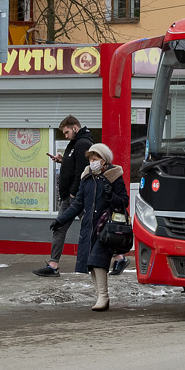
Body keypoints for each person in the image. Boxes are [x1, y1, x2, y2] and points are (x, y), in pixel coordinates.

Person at [52, 143, 130, 311]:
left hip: (106, 227)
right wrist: (61, 220)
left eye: (95, 159)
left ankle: (103, 297)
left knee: (97, 261)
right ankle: (100, 296)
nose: (92, 162)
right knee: (91, 264)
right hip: (89, 227)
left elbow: (124, 202)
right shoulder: (87, 177)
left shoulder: (114, 176)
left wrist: (111, 195)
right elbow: (77, 203)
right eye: (90, 159)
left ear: (104, 160)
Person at [33, 115, 95, 278]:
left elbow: (82, 170)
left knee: (94, 227)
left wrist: (75, 193)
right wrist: (62, 161)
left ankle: (118, 256)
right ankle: (53, 265)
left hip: (76, 196)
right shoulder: (75, 144)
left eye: (67, 132)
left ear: (75, 127)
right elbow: (73, 164)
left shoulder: (83, 144)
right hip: (69, 196)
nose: (65, 135)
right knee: (59, 227)